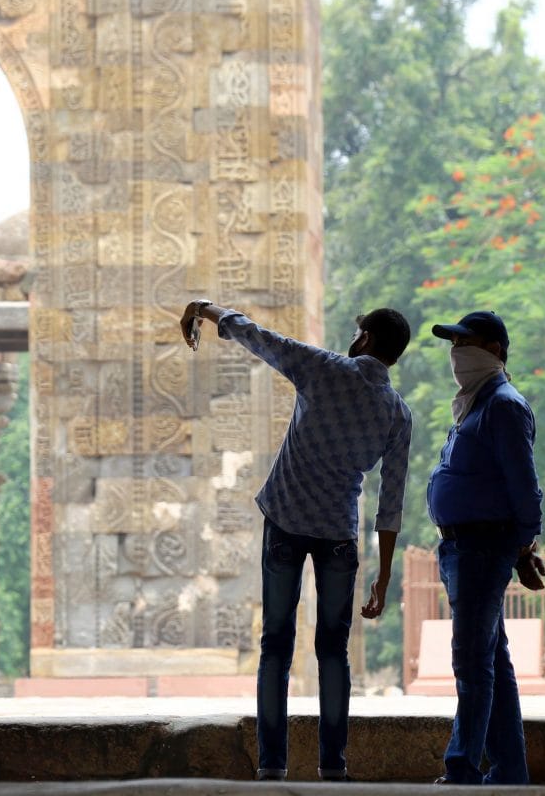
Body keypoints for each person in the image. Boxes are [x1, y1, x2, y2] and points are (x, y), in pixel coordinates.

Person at [179, 299, 413, 783]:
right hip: (338, 538)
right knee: (333, 652)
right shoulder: (397, 414)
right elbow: (391, 504)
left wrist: (204, 308)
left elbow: (261, 339)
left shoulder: (324, 370)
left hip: (286, 521)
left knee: (276, 647)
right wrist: (384, 576)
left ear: (364, 339)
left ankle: (272, 764)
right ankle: (333, 765)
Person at [425, 310, 545, 786]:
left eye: (466, 343)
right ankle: (509, 770)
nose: (457, 353)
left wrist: (523, 545)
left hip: (481, 547)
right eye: (453, 344)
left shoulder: (503, 405)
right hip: (464, 547)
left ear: (495, 350)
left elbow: (524, 485)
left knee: (471, 660)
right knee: (491, 660)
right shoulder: (476, 403)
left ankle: (461, 767)